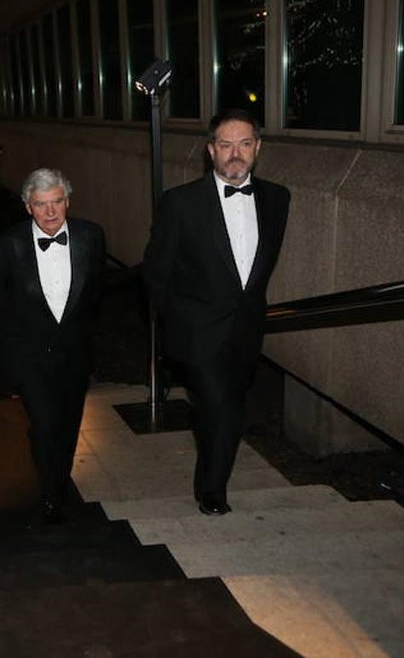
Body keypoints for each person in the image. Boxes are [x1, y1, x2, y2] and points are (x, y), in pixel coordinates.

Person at [143, 109, 291, 516]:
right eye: (225, 144)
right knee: (223, 408)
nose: (235, 153)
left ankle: (208, 475)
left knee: (223, 408)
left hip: (246, 329)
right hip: (196, 332)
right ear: (211, 151)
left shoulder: (278, 199)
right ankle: (213, 490)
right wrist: (176, 325)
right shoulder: (180, 202)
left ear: (258, 148)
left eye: (244, 144)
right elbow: (157, 272)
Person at [0, 168, 106, 525]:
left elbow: (96, 292)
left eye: (56, 202)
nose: (50, 212)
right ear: (28, 207)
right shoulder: (8, 244)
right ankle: (51, 495)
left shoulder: (91, 237)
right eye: (41, 205)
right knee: (43, 423)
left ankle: (59, 479)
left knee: (68, 425)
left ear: (67, 202)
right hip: (31, 355)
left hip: (74, 353)